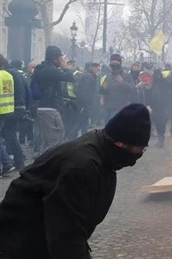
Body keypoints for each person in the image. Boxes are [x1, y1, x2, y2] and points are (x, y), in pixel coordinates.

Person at [0, 103, 150, 259]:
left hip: (42, 233)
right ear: (121, 144)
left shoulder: (103, 150)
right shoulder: (82, 168)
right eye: (139, 149)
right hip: (21, 239)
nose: (140, 154)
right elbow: (66, 235)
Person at [30, 46, 75, 154]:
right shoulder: (50, 70)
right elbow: (69, 77)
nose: (63, 60)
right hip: (49, 108)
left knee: (50, 139)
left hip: (44, 107)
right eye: (61, 58)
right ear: (56, 58)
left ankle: (45, 162)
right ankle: (47, 165)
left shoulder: (41, 68)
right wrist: (65, 67)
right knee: (55, 140)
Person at [0, 55, 30, 170]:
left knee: (10, 135)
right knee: (9, 134)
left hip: (10, 109)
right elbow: (27, 90)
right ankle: (16, 159)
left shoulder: (6, 74)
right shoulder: (15, 73)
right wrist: (26, 108)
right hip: (16, 107)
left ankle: (14, 160)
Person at [100, 54, 136, 122]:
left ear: (120, 63)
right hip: (107, 108)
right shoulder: (108, 76)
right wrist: (102, 94)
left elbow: (132, 89)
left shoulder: (126, 75)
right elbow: (102, 90)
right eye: (112, 63)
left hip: (120, 108)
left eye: (116, 63)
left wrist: (122, 82)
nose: (114, 65)